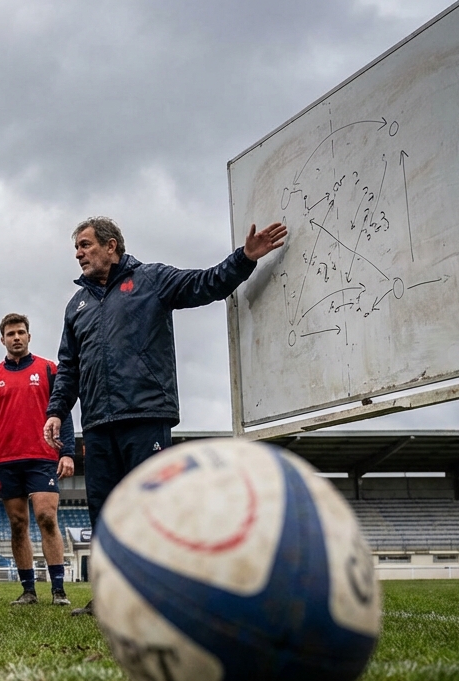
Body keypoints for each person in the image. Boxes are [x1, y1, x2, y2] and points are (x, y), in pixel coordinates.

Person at [44, 216, 287, 615]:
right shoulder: (77, 305)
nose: (79, 253)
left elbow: (205, 283)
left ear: (111, 246)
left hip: (145, 414)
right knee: (103, 509)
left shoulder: (151, 280)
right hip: (98, 423)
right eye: (77, 248)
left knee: (153, 506)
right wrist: (56, 411)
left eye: (86, 245)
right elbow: (69, 366)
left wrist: (245, 258)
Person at [0, 313, 76, 606]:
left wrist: (67, 451)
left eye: (21, 332)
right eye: (10, 334)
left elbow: (64, 412)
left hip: (42, 456)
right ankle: (28, 591)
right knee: (18, 525)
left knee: (46, 518)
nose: (16, 337)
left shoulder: (48, 369)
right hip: (7, 460)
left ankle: (58, 590)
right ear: (2, 339)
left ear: (29, 336)